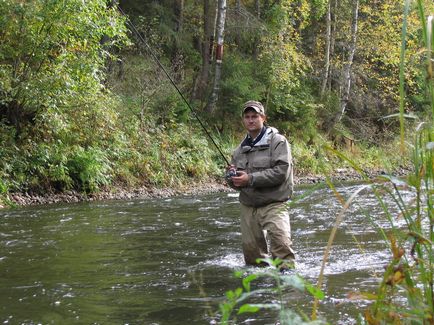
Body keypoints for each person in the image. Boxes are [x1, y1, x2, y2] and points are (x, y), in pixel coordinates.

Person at [226, 100, 295, 271]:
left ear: (263, 118)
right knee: (253, 259)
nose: (250, 120)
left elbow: (281, 172)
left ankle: (287, 284)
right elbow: (235, 183)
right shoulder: (239, 150)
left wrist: (249, 179)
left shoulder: (278, 142)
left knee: (282, 247)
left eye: (254, 116)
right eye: (247, 117)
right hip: (248, 206)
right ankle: (259, 290)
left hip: (274, 203)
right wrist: (231, 178)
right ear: (243, 120)